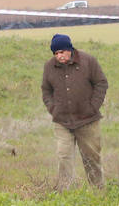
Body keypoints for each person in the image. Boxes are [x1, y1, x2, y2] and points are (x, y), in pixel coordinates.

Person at [39, 34, 108, 190]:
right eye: (56, 53)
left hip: (87, 121)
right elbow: (46, 90)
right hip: (62, 122)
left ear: (69, 49)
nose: (59, 56)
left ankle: (98, 190)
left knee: (91, 158)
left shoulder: (88, 61)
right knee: (63, 156)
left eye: (62, 52)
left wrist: (93, 107)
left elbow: (101, 83)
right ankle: (65, 191)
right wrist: (53, 108)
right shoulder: (49, 66)